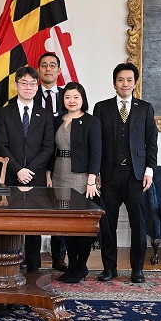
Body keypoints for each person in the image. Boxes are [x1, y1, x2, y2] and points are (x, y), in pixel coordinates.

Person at [94, 62, 158, 283]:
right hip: (109, 174)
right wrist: (96, 173)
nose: (125, 84)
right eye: (120, 80)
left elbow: (151, 142)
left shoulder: (145, 108)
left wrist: (149, 170)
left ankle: (137, 269)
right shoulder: (101, 108)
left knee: (138, 223)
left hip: (135, 175)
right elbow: (97, 144)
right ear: (114, 83)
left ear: (135, 83)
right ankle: (109, 268)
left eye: (129, 80)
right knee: (107, 223)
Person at [0, 66, 54, 272]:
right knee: (11, 221)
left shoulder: (45, 115)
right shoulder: (4, 113)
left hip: (35, 178)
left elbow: (48, 147)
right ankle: (9, 264)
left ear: (37, 87)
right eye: (24, 83)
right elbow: (1, 145)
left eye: (32, 84)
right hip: (11, 176)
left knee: (33, 224)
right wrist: (18, 169)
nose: (28, 87)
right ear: (16, 85)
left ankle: (33, 267)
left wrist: (30, 170)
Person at [46, 82, 102, 283]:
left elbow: (96, 152)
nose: (71, 101)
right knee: (67, 224)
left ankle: (81, 266)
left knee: (81, 225)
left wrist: (91, 180)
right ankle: (71, 265)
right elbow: (49, 149)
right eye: (68, 97)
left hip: (80, 178)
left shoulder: (91, 122)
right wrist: (48, 172)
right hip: (59, 174)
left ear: (82, 99)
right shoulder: (56, 121)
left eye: (76, 97)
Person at [35, 52, 67, 272]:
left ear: (59, 70)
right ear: (38, 70)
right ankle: (31, 257)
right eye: (44, 65)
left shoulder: (69, 95)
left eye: (52, 65)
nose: (48, 69)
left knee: (61, 209)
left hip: (64, 163)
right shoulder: (29, 93)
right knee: (34, 210)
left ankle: (59, 256)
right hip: (36, 162)